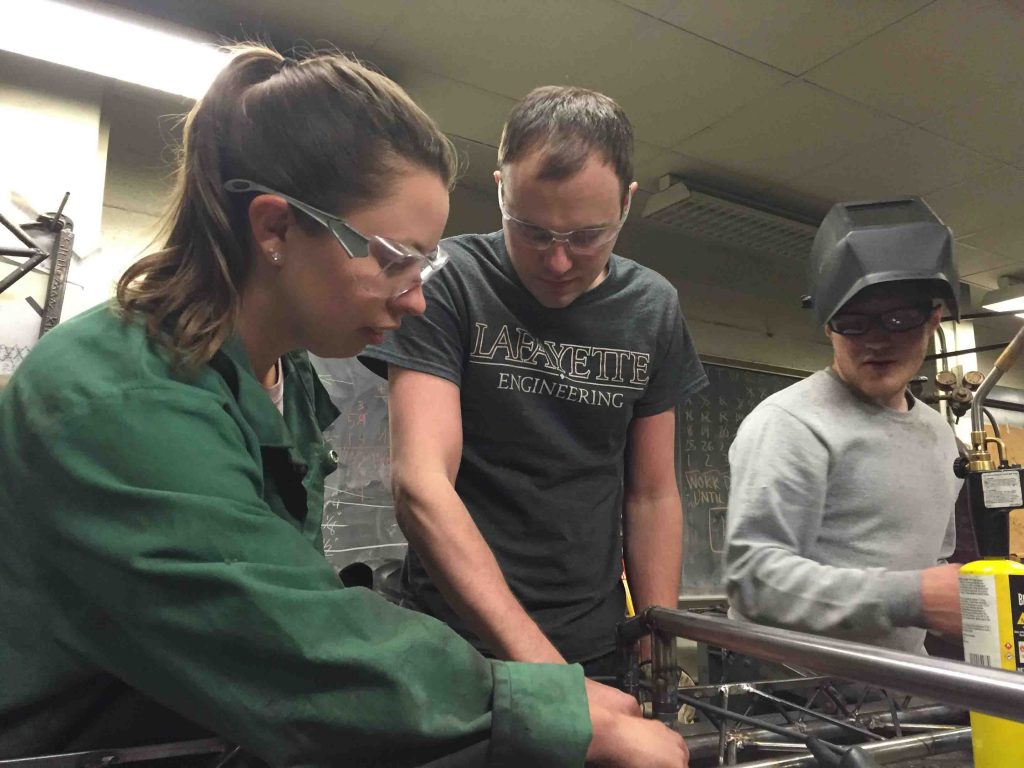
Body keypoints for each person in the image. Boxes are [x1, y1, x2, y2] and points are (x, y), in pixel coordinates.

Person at [0, 46, 689, 767]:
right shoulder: (119, 397)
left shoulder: (283, 382)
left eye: (425, 264)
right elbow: (279, 639)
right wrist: (556, 708)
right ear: (274, 230)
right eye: (393, 259)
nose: (417, 296)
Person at [360, 86, 707, 674]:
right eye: (534, 231)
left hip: (595, 644)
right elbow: (420, 482)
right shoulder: (449, 281)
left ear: (626, 203)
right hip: (453, 642)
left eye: (587, 236)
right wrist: (548, 678)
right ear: (501, 189)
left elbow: (651, 495)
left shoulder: (653, 307)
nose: (558, 261)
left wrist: (656, 638)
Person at [723, 197, 964, 654]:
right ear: (828, 326)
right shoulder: (790, 424)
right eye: (853, 322)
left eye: (899, 319)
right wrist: (914, 598)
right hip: (796, 702)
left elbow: (932, 562)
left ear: (933, 317)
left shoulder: (939, 434)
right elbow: (754, 580)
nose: (876, 340)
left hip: (901, 697)